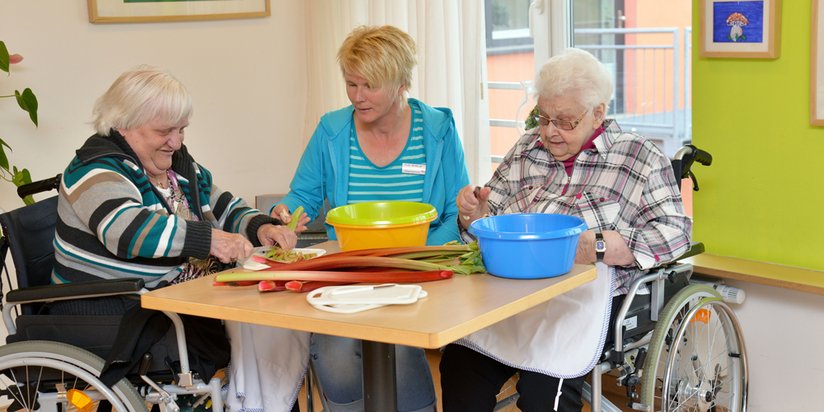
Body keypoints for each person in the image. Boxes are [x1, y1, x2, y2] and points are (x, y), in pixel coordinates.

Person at [439, 48, 691, 412]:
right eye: (543, 118)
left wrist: (600, 247)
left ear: (598, 113)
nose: (549, 132)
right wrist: (473, 216)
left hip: (578, 304)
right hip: (510, 296)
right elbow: (489, 221)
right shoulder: (527, 149)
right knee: (460, 364)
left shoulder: (639, 157)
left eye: (565, 121)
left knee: (545, 392)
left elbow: (675, 233)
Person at [51, 65, 307, 412]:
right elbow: (127, 231)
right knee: (260, 318)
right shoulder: (95, 169)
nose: (177, 141)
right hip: (115, 304)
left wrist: (261, 227)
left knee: (272, 313)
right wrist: (210, 240)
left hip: (174, 294)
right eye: (164, 131)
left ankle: (261, 402)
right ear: (122, 125)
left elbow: (221, 203)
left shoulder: (176, 164)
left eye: (181, 129)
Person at [272, 25, 470, 412]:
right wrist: (286, 213)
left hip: (418, 270)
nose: (357, 97)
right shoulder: (332, 131)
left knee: (396, 348)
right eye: (351, 84)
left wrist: (412, 259)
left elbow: (454, 213)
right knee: (335, 360)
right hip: (350, 273)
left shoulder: (437, 129)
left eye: (369, 86)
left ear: (400, 82)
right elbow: (303, 196)